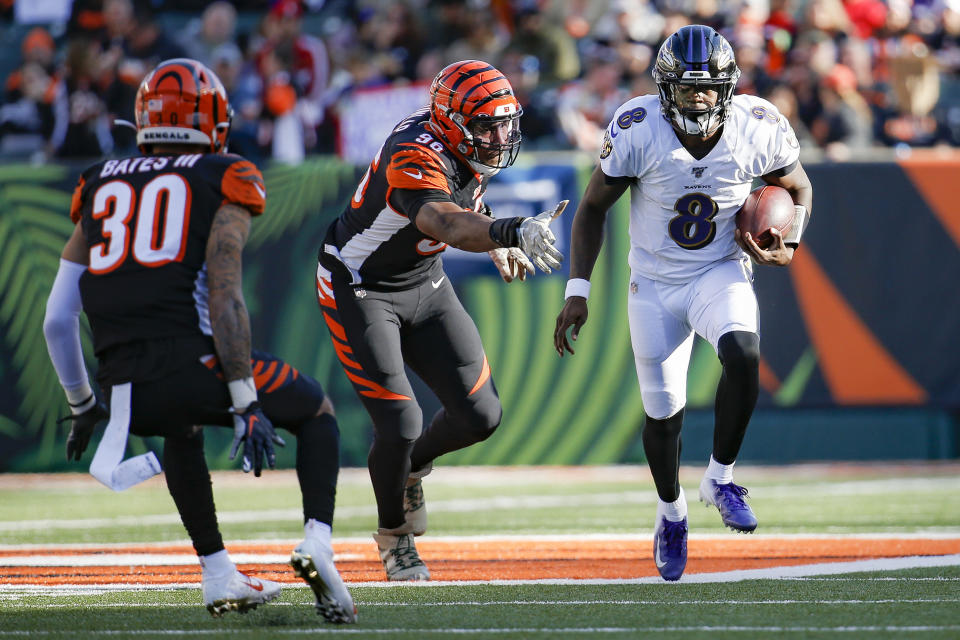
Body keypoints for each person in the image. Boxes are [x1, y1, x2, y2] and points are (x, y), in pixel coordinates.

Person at [42, 58, 356, 623]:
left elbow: (57, 318)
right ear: (211, 119)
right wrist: (246, 401)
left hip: (122, 391)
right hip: (194, 367)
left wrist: (83, 404)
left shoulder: (99, 182)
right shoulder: (223, 174)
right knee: (316, 411)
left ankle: (217, 575)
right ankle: (318, 543)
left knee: (179, 430)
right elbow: (225, 294)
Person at [554, 26, 813, 582]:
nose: (698, 98)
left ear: (728, 87)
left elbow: (800, 188)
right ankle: (671, 512)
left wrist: (789, 243)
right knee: (663, 416)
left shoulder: (756, 125)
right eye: (687, 88)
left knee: (743, 354)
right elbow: (592, 209)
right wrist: (578, 290)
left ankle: (720, 478)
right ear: (664, 87)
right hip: (653, 283)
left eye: (708, 88)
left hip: (719, 270)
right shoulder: (637, 127)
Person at [316, 59, 565, 581]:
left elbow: (465, 195)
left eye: (505, 123)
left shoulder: (462, 143)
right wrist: (505, 233)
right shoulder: (413, 151)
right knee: (400, 422)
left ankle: (410, 472)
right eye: (486, 126)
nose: (500, 136)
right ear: (452, 123)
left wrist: (491, 233)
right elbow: (440, 218)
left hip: (423, 280)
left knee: (480, 415)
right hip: (360, 286)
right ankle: (394, 537)